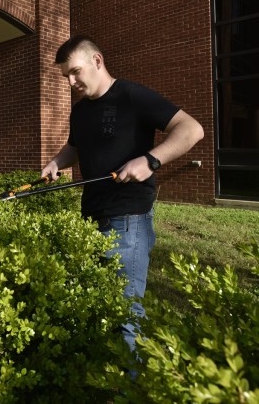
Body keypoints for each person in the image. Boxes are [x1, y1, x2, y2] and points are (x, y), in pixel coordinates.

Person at [41, 35, 204, 353]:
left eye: (75, 72)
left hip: (128, 220)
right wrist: (56, 163)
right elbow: (75, 148)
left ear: (97, 61)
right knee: (100, 304)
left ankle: (129, 389)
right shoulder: (80, 111)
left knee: (125, 314)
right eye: (66, 77)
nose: (71, 82)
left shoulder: (132, 96)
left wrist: (151, 159)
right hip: (90, 217)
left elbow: (191, 128)